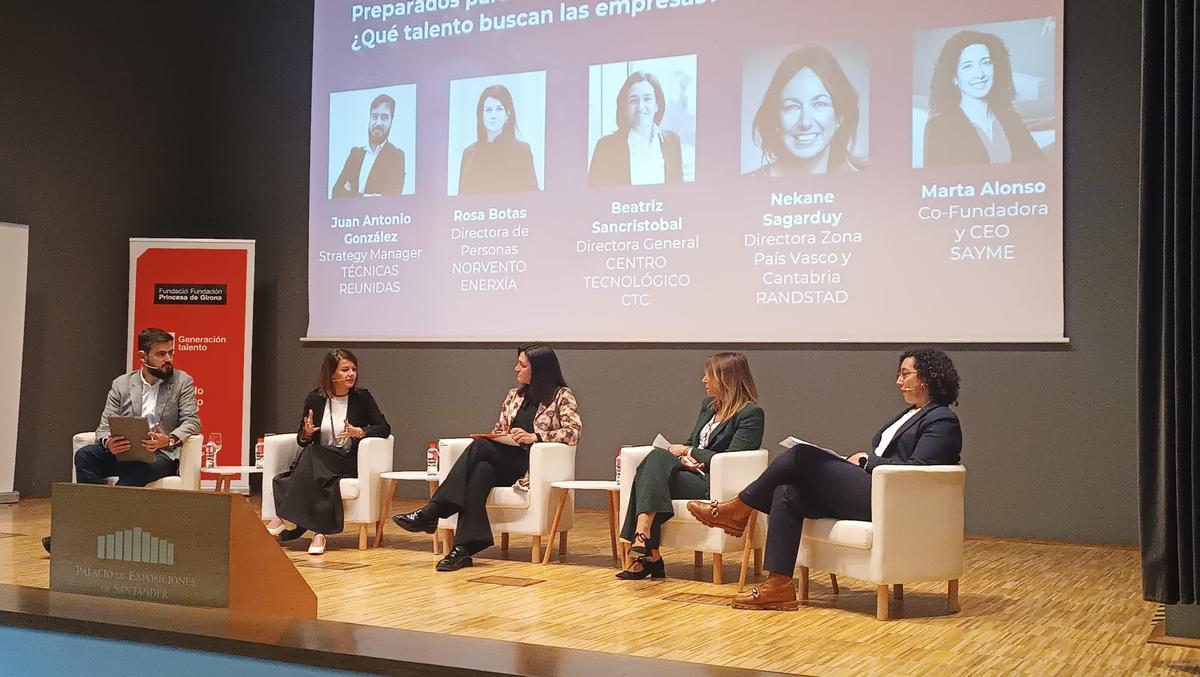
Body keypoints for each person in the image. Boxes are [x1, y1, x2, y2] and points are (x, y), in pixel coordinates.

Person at [688, 348, 962, 610]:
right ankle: (778, 585)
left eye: (905, 374)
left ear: (926, 378)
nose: (898, 381)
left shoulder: (941, 420)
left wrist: (867, 462)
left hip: (893, 499)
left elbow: (918, 468)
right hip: (874, 489)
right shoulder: (909, 415)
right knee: (787, 491)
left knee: (799, 455)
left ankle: (739, 509)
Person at [393, 344, 582, 571]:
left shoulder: (561, 396)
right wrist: (502, 436)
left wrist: (535, 436)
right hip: (505, 459)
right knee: (480, 470)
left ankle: (433, 512)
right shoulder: (514, 395)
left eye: (522, 365)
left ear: (539, 368)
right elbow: (499, 429)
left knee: (480, 447)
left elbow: (573, 432)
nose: (516, 369)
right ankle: (462, 549)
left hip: (531, 465)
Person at [43, 327, 201, 553]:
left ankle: (87, 531)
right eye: (161, 354)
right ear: (142, 356)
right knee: (85, 455)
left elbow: (192, 422)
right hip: (125, 450)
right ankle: (99, 529)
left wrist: (169, 439)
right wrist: (108, 443)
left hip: (160, 455)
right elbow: (104, 426)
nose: (168, 359)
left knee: (141, 468)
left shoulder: (182, 381)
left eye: (171, 353)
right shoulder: (122, 384)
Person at [617, 352, 764, 580]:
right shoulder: (709, 406)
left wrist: (689, 452)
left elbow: (731, 458)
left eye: (709, 375)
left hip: (714, 482)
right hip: (691, 473)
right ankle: (646, 545)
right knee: (656, 464)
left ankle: (647, 550)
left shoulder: (750, 414)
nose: (703, 380)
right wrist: (684, 457)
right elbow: (691, 441)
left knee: (650, 471)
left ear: (727, 378)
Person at [267, 349, 390, 555]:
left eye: (353, 369)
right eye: (345, 370)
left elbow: (384, 428)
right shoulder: (315, 398)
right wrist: (306, 433)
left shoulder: (362, 397)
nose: (351, 374)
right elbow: (302, 439)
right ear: (331, 374)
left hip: (348, 460)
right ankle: (319, 533)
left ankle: (283, 516)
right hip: (320, 460)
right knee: (314, 457)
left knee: (310, 456)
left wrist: (361, 432)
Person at [922, 30, 1044, 167]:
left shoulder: (1012, 120)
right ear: (954, 77)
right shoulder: (939, 127)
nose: (979, 74)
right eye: (967, 66)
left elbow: (1039, 167)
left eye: (986, 63)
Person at [746, 47, 865, 177]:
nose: (805, 122)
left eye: (819, 104)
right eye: (792, 107)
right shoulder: (746, 186)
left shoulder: (868, 180)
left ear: (840, 116)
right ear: (776, 118)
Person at [588, 71, 684, 187]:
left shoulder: (672, 141)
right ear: (624, 108)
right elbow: (594, 196)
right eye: (633, 100)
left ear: (657, 105)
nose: (640, 107)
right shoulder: (606, 146)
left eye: (647, 99)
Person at [457, 85, 539, 195]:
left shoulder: (521, 151)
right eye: (488, 110)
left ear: (508, 114)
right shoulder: (469, 153)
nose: (493, 116)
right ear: (481, 116)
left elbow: (533, 196)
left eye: (499, 109)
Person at [331, 93, 407, 198]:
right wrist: (369, 196)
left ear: (391, 120)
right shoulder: (356, 154)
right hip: (350, 215)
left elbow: (391, 199)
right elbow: (336, 193)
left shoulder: (397, 156)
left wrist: (351, 194)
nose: (378, 123)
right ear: (369, 118)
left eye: (384, 117)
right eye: (375, 116)